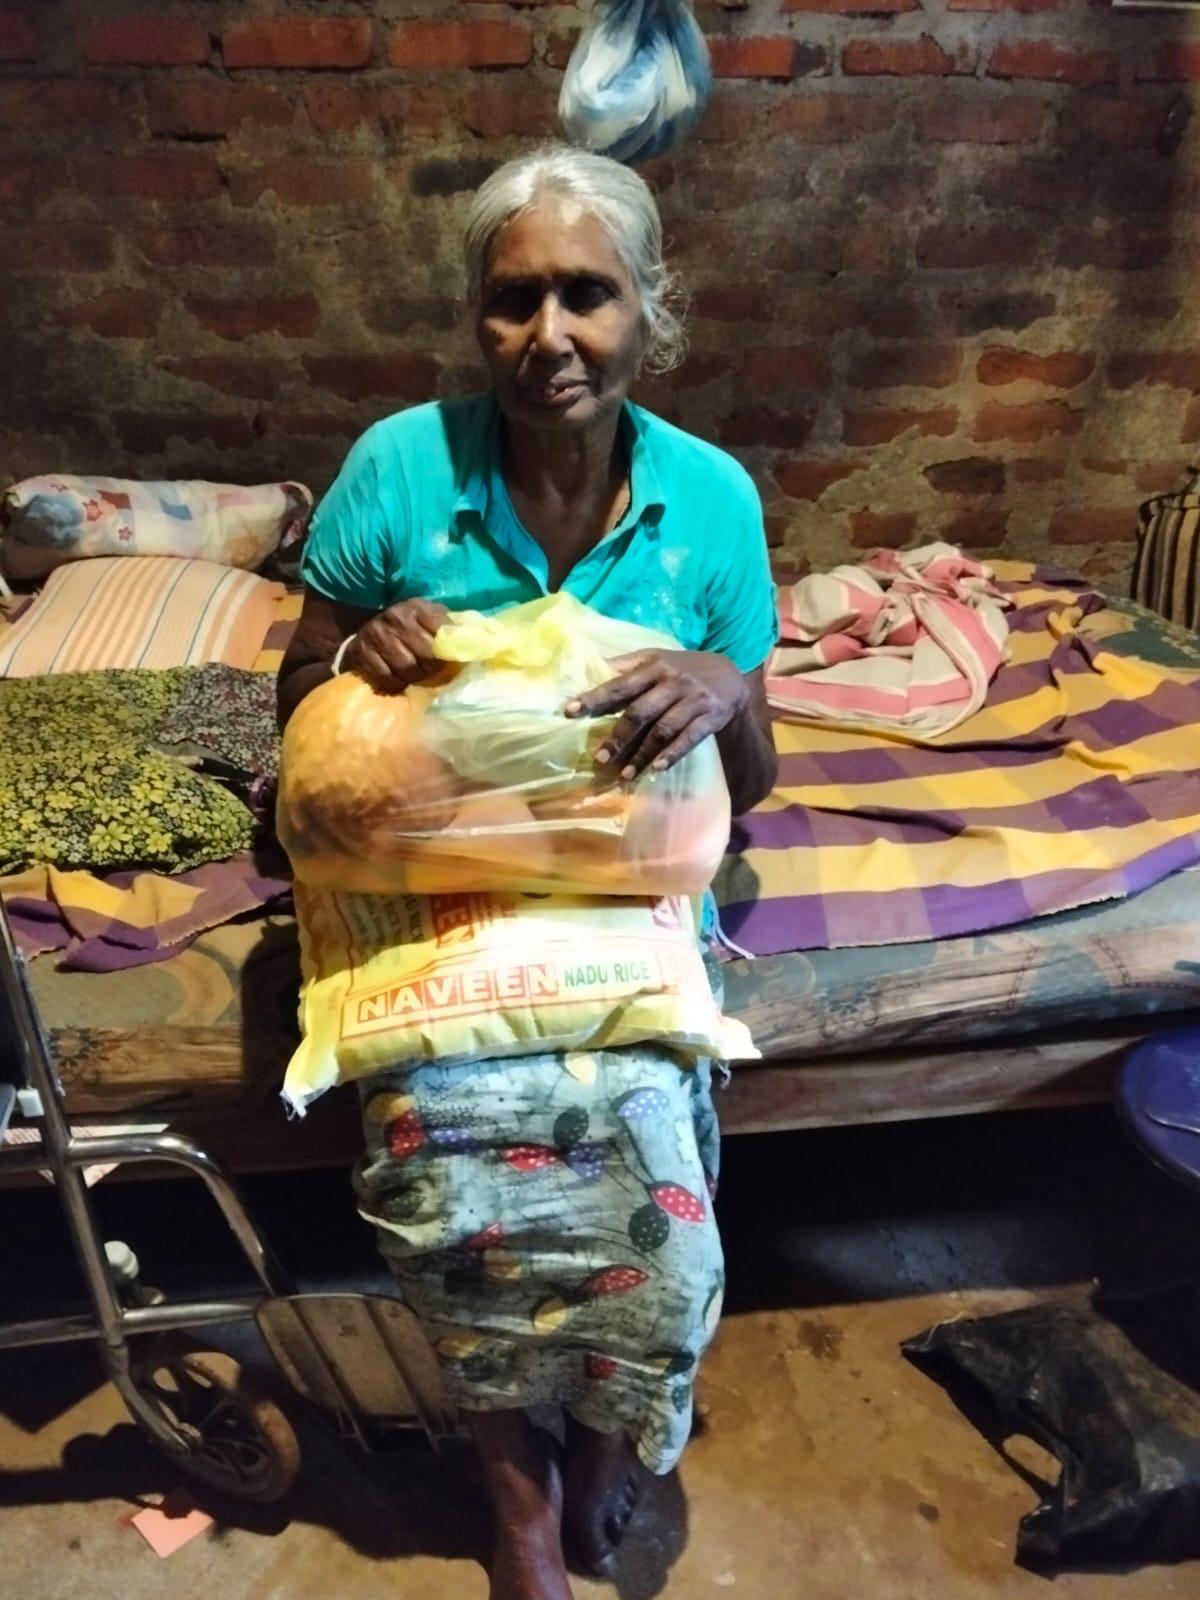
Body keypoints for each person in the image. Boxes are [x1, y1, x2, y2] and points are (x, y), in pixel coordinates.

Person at [278, 145, 778, 1600]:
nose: (547, 336)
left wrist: (723, 688)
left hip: (622, 889)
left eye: (586, 296)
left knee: (655, 1149)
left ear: (648, 312)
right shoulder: (398, 469)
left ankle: (608, 1444)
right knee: (440, 1148)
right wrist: (355, 656)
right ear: (476, 317)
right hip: (432, 882)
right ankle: (518, 1498)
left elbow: (754, 782)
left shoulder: (709, 500)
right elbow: (293, 694)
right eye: (513, 302)